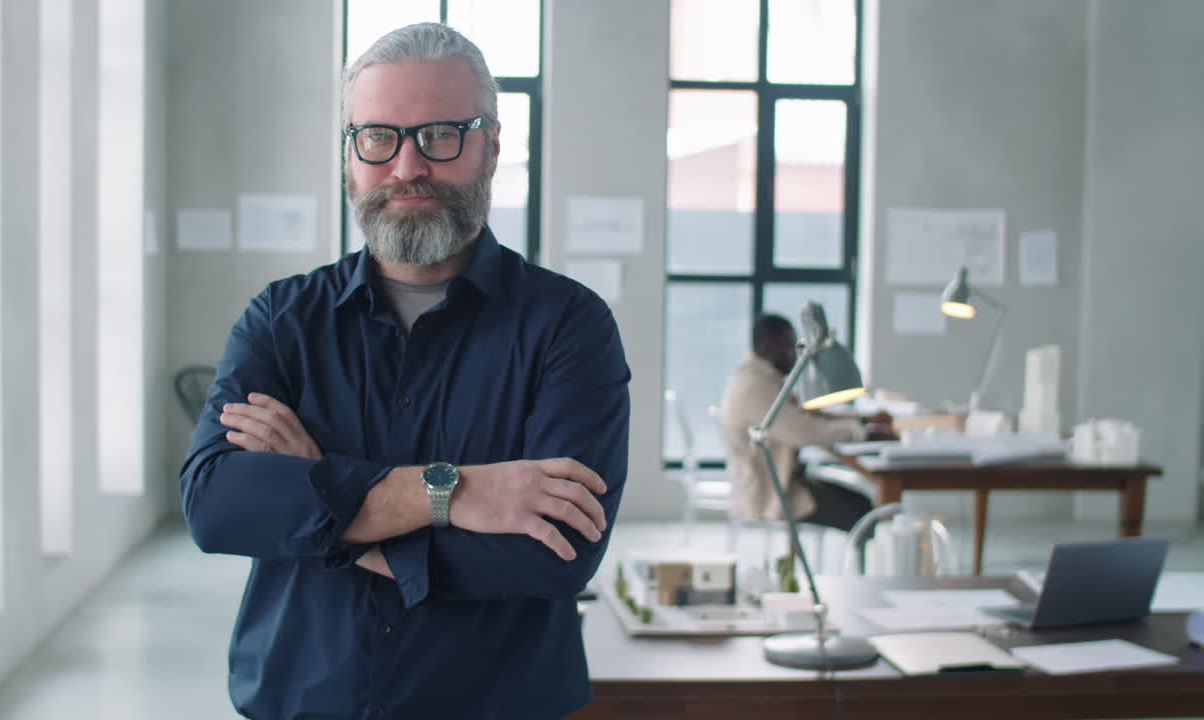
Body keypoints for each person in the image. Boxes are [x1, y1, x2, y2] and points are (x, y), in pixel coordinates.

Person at [179, 23, 630, 720]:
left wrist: (322, 493)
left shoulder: (569, 328)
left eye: (441, 135)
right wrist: (452, 492)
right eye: (379, 137)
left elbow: (555, 554)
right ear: (350, 154)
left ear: (493, 145)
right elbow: (217, 505)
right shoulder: (283, 319)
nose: (406, 166)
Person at [716, 313, 874, 534]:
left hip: (784, 482)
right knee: (861, 510)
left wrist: (858, 421)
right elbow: (803, 431)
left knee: (859, 503)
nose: (795, 355)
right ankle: (864, 567)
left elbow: (802, 416)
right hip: (770, 495)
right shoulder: (754, 387)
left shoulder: (759, 377)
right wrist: (858, 431)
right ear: (768, 347)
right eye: (788, 347)